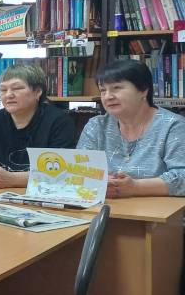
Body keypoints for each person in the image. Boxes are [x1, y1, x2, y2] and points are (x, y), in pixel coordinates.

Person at [78, 59, 185, 198]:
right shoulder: (96, 126)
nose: (108, 96)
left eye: (117, 88)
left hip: (158, 210)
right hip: (105, 206)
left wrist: (135, 187)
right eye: (103, 90)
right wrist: (99, 182)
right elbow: (78, 171)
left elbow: (182, 177)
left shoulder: (172, 126)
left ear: (143, 90)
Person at [0, 63, 77, 187]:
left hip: (43, 193)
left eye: (17, 88)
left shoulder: (59, 122)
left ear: (37, 92)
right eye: (3, 90)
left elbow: (61, 172)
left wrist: (12, 179)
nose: (8, 95)